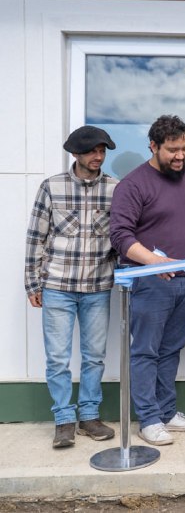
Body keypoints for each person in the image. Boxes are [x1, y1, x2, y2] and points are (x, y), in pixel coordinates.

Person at [110, 115, 185, 446]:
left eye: (184, 149)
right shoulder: (133, 185)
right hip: (150, 284)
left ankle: (166, 413)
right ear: (153, 146)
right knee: (146, 351)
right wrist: (153, 263)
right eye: (172, 150)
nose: (179, 156)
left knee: (171, 350)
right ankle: (148, 419)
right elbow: (120, 235)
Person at [24, 125, 118, 448]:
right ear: (75, 153)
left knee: (94, 356)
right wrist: (32, 282)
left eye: (103, 150)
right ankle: (63, 419)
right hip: (57, 286)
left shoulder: (115, 189)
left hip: (98, 286)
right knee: (58, 357)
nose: (99, 156)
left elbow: (120, 240)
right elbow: (36, 237)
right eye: (92, 150)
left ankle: (89, 416)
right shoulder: (51, 187)